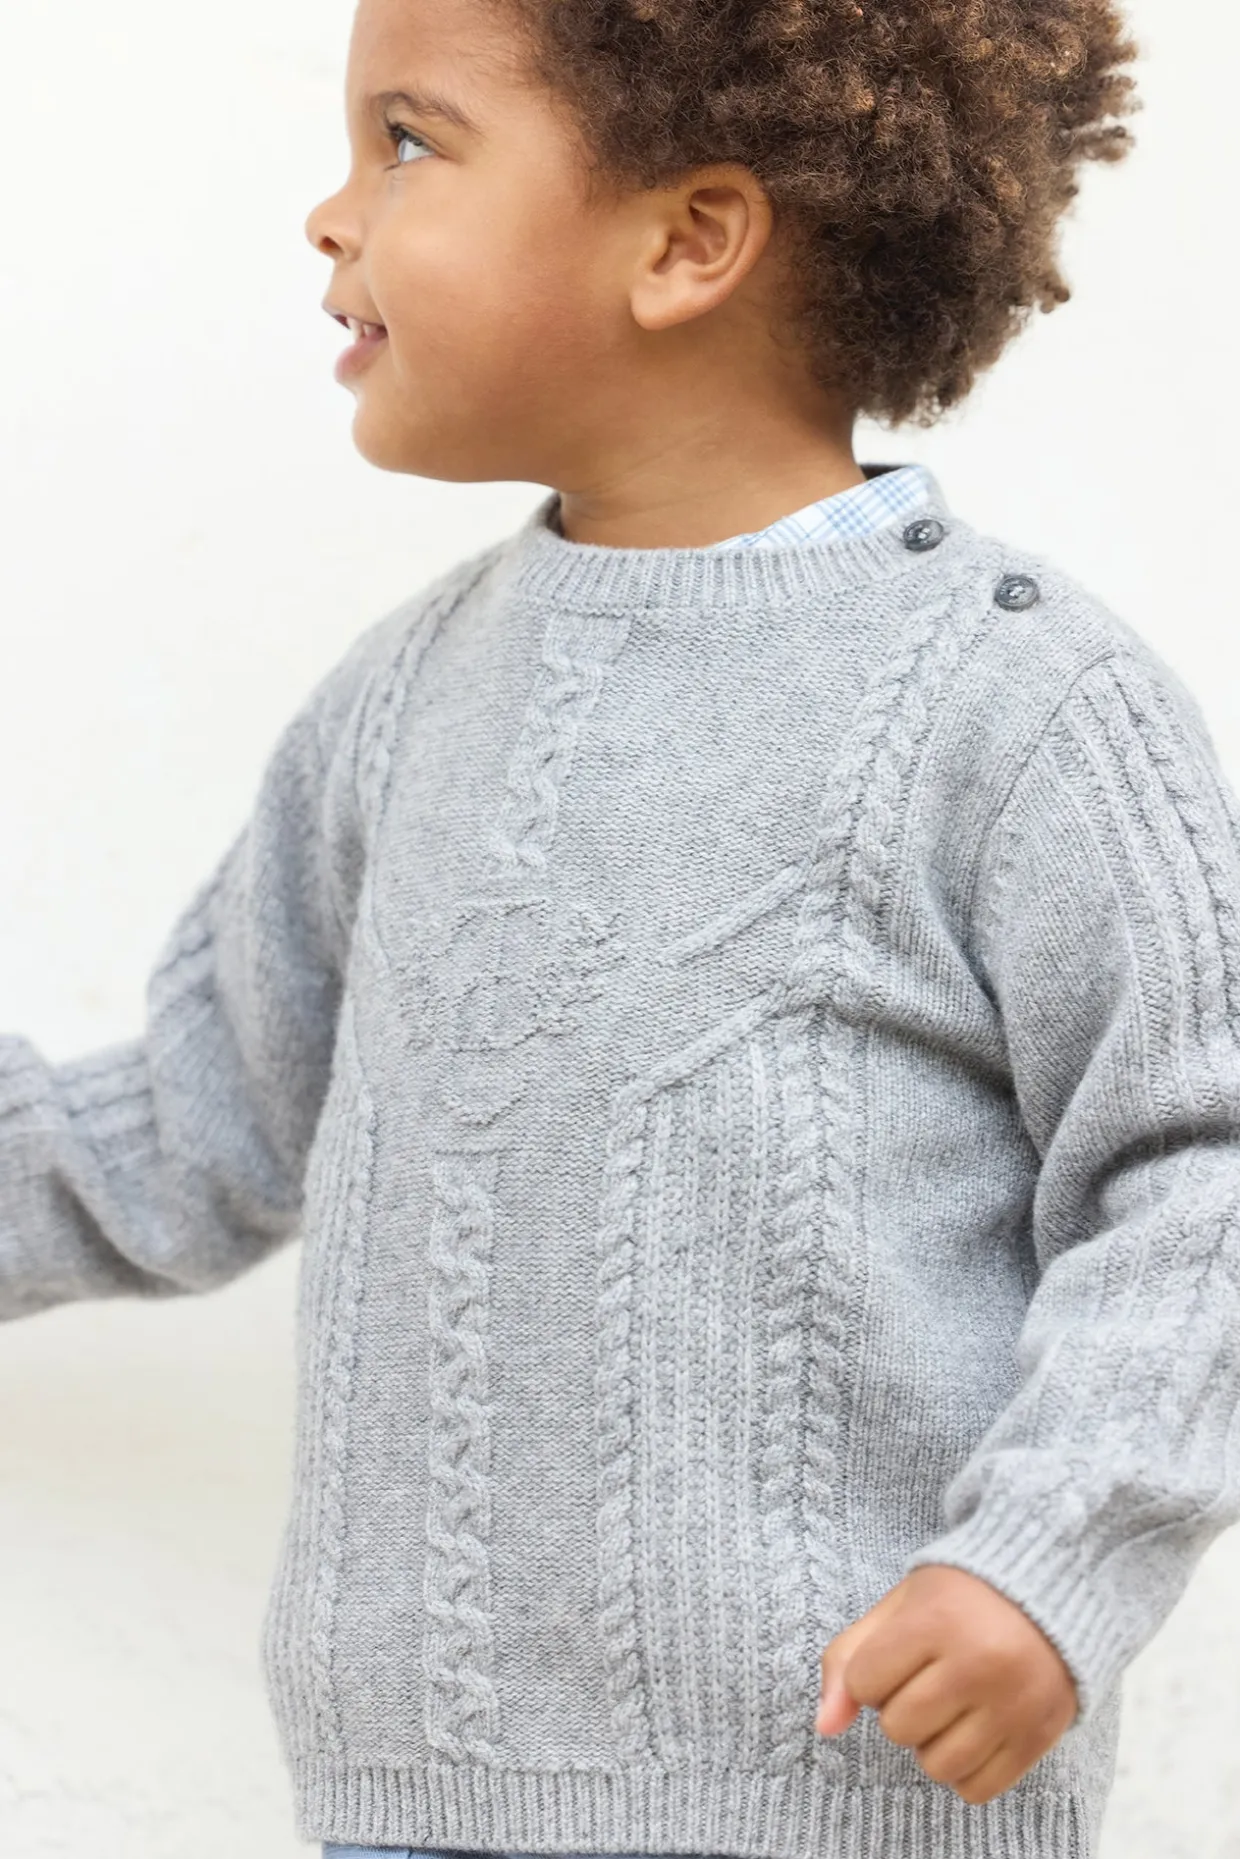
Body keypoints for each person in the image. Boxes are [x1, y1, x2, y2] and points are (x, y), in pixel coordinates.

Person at [3, 0, 1236, 1855]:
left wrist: (1053, 1556)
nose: (330, 215)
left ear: (688, 242)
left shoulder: (1021, 708)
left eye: (406, 142)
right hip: (412, 1807)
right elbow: (192, 1122)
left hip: (847, 1805)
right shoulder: (402, 703)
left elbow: (1201, 1169)